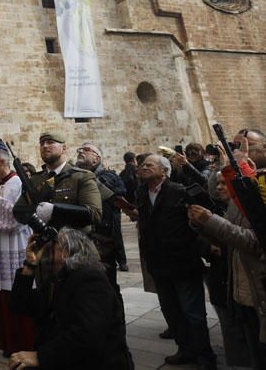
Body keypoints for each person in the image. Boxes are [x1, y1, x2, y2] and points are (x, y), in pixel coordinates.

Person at [127, 154, 216, 369]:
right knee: (172, 312)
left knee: (193, 313)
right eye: (142, 165)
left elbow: (201, 220)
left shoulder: (179, 191)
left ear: (164, 171)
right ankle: (185, 349)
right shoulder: (141, 193)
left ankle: (205, 355)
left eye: (149, 165)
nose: (143, 167)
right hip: (158, 264)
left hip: (183, 262)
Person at [8, 228, 132, 370]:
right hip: (69, 356)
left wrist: (40, 356)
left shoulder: (91, 279)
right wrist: (29, 266)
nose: (47, 246)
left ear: (67, 252)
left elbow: (88, 335)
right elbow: (19, 305)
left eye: (54, 243)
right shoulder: (58, 280)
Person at [189, 170, 266, 368]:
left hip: (258, 291)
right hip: (241, 292)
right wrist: (202, 224)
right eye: (219, 183)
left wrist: (211, 220)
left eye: (225, 183)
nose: (219, 187)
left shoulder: (257, 204)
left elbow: (254, 242)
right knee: (253, 350)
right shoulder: (234, 205)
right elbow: (228, 243)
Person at [0, 144, 34, 357]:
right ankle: (6, 341)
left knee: (17, 294)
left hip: (16, 246)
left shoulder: (18, 184)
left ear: (3, 162)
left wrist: (1, 201)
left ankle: (21, 342)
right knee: (1, 293)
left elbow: (20, 219)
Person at [14, 131, 102, 233]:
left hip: (73, 244)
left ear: (63, 148)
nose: (45, 146)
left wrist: (55, 210)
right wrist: (38, 222)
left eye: (50, 142)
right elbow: (18, 210)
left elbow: (95, 214)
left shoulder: (82, 177)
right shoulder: (35, 180)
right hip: (43, 244)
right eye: (42, 143)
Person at [74, 142, 129, 279]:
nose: (81, 151)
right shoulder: (74, 176)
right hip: (80, 237)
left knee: (107, 282)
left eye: (86, 150)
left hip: (103, 237)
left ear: (96, 158)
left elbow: (119, 192)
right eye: (80, 149)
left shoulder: (108, 175)